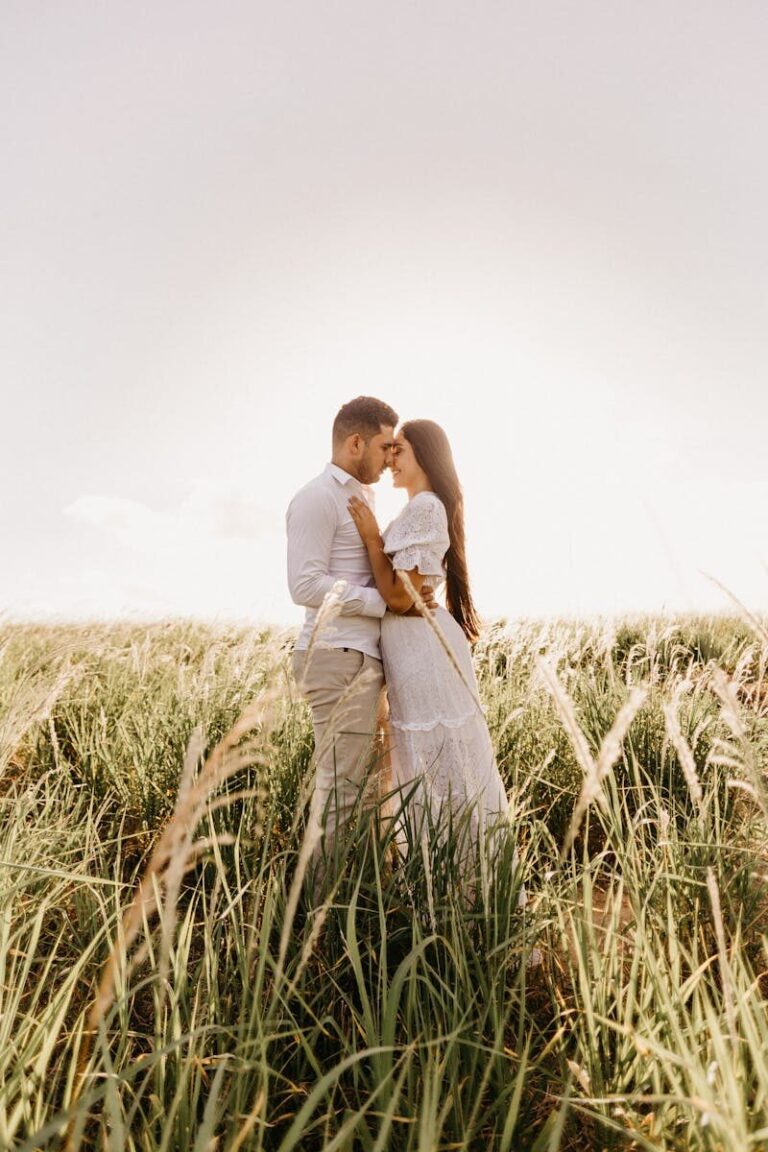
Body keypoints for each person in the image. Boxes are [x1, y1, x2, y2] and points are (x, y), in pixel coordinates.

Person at [347, 419, 515, 882]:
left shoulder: (425, 508)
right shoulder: (417, 510)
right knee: (427, 763)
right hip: (413, 649)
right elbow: (402, 591)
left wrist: (370, 539)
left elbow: (400, 599)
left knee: (441, 763)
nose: (390, 459)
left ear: (422, 453)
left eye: (399, 449)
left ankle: (464, 892)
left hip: (424, 650)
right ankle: (442, 888)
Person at [286, 397, 437, 886]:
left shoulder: (365, 498)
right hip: (336, 654)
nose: (389, 456)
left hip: (361, 657)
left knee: (371, 793)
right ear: (355, 443)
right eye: (382, 445)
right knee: (342, 793)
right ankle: (315, 918)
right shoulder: (317, 497)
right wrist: (388, 604)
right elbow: (303, 585)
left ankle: (367, 899)